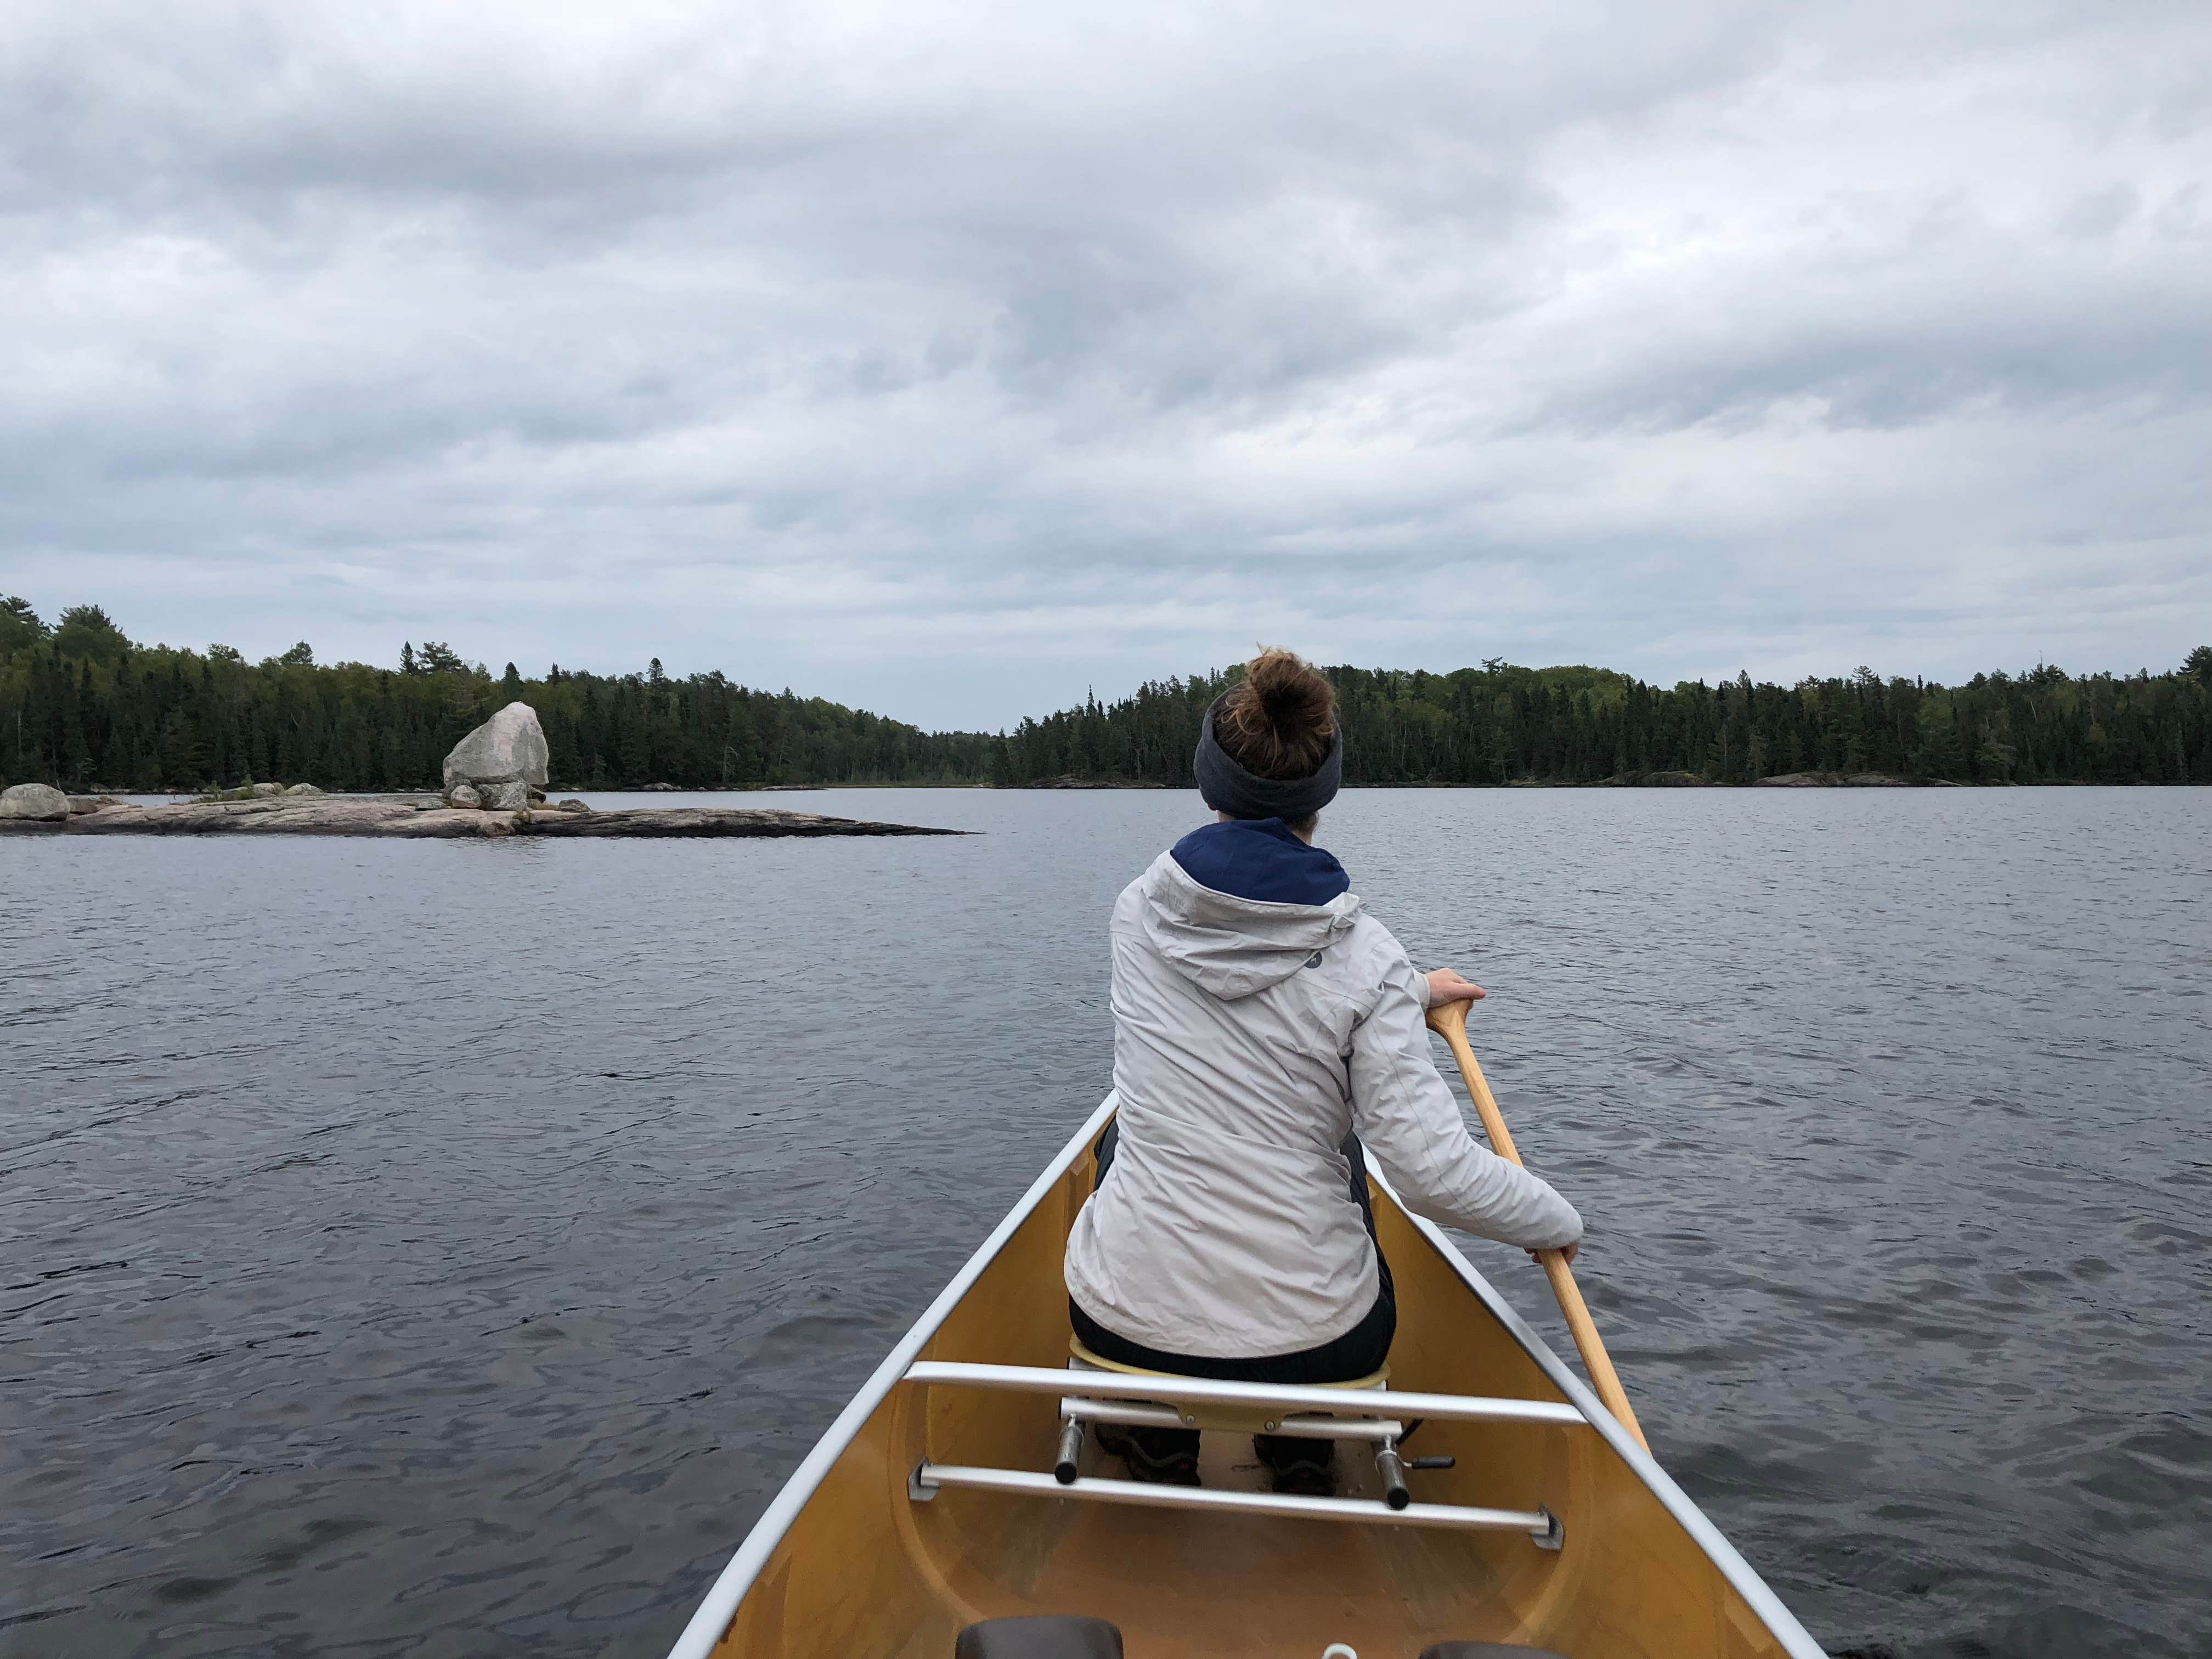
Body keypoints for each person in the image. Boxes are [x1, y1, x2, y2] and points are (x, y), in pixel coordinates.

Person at [1062, 647, 1584, 1493]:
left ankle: (1153, 1437)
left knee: (1124, 1139)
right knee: (1347, 1160)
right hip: (1312, 1349)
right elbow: (1431, 1176)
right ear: (1322, 791)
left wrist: (1407, 992)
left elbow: (1259, 989)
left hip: (1122, 1328)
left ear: (1209, 784)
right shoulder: (1365, 957)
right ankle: (1299, 1442)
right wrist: (1556, 1220)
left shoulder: (1137, 915)